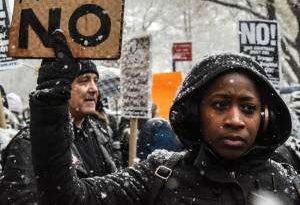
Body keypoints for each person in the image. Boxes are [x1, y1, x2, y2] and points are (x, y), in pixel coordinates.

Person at [29, 31, 300, 204]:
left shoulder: (289, 183)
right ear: (195, 113)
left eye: (248, 108)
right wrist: (51, 105)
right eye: (219, 105)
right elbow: (65, 197)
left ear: (264, 117)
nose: (235, 120)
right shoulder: (157, 175)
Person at [0, 58, 120, 204]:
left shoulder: (100, 133)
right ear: (60, 87)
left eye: (95, 81)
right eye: (84, 81)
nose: (94, 89)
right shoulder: (29, 143)